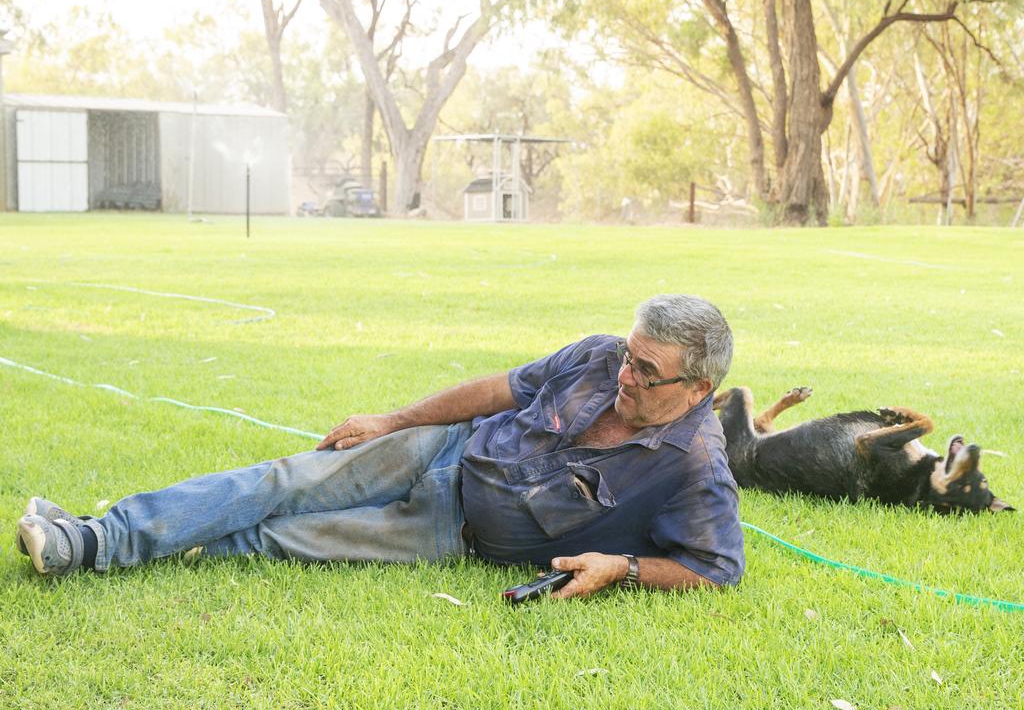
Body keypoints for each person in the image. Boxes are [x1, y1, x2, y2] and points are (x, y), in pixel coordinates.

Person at [16, 294, 744, 598]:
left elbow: (714, 570)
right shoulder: (598, 356)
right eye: (629, 356)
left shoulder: (695, 468)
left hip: (447, 531)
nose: (625, 375)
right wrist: (394, 423)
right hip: (440, 452)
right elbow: (500, 389)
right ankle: (91, 539)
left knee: (277, 538)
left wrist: (619, 567)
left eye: (647, 372)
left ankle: (122, 534)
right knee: (281, 480)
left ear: (699, 388)